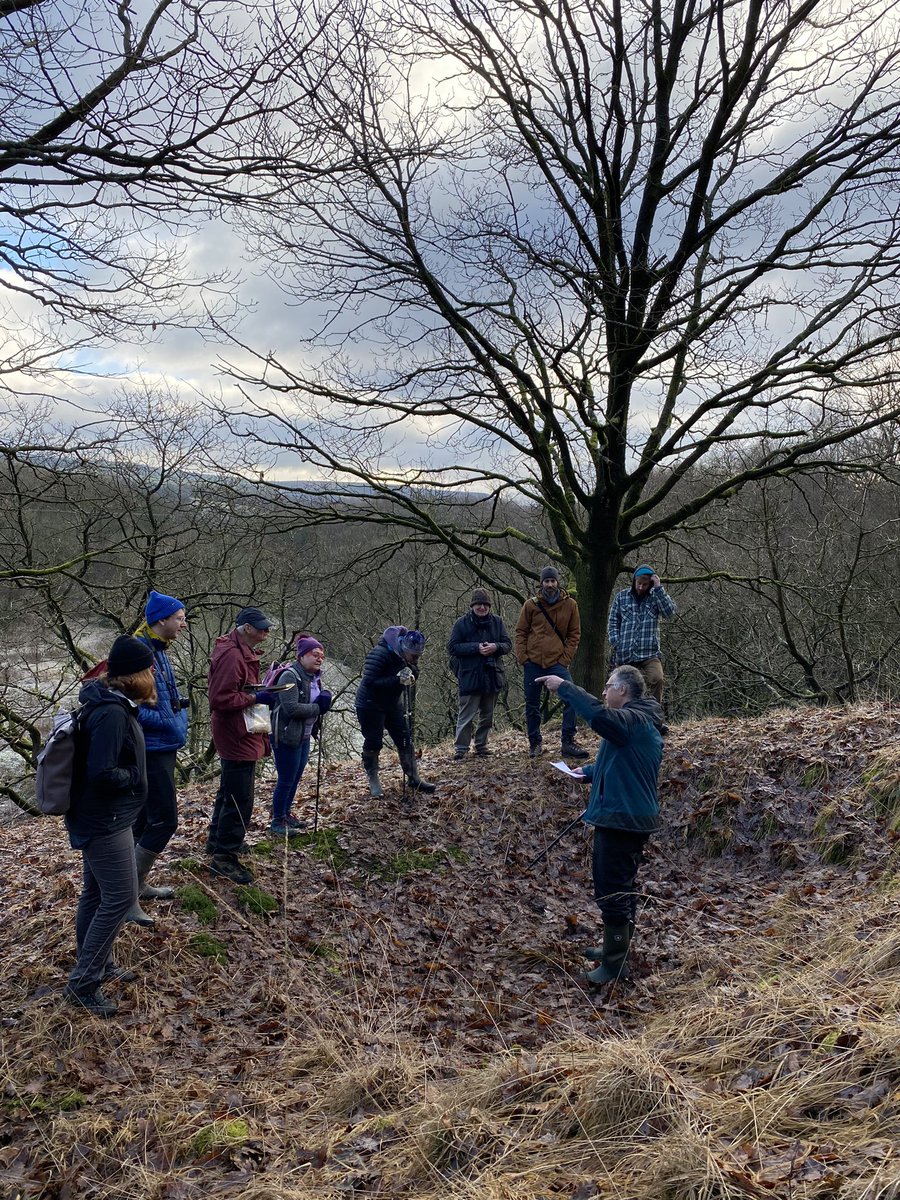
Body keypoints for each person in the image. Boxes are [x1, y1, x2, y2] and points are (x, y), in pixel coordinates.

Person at [538, 665, 665, 985]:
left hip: (623, 819)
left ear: (623, 690)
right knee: (621, 886)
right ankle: (615, 948)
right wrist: (589, 772)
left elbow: (598, 716)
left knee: (612, 890)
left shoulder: (631, 721)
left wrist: (565, 688)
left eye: (609, 686)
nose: (605, 692)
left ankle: (614, 963)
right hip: (624, 815)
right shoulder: (635, 723)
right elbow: (622, 760)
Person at [64, 635, 155, 1017]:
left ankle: (97, 964)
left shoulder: (111, 704)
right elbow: (101, 772)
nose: (152, 674)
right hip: (106, 820)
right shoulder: (112, 714)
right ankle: (84, 984)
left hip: (102, 816)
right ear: (134, 675)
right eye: (148, 669)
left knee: (96, 894)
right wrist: (134, 776)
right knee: (118, 896)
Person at [124, 589, 190, 926]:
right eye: (179, 618)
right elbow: (130, 706)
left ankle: (136, 886)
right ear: (160, 619)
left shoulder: (158, 649)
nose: (183, 624)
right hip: (150, 749)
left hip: (162, 745)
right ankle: (126, 897)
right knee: (165, 820)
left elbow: (164, 698)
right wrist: (168, 721)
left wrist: (179, 716)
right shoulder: (139, 651)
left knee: (144, 821)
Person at [206, 606, 272, 884]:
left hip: (239, 731)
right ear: (246, 628)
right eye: (261, 627)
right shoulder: (232, 655)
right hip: (236, 733)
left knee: (229, 791)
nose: (266, 632)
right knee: (239, 797)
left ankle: (217, 842)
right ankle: (224, 857)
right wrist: (256, 698)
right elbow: (220, 699)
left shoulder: (237, 650)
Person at [514, 566, 588, 759]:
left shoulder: (570, 605)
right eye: (546, 581)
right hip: (533, 662)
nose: (549, 584)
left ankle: (568, 742)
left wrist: (565, 660)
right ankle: (535, 743)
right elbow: (520, 632)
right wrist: (523, 658)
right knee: (531, 704)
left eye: (552, 581)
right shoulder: (531, 605)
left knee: (571, 697)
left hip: (557, 662)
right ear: (541, 583)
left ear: (558, 582)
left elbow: (574, 635)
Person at [355, 626, 435, 797]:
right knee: (374, 741)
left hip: (392, 704)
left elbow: (414, 671)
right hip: (370, 704)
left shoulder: (409, 656)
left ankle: (413, 777)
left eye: (418, 656)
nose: (415, 659)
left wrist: (412, 674)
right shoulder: (380, 653)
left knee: (404, 738)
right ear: (403, 648)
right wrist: (397, 679)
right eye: (413, 656)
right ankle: (373, 780)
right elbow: (370, 682)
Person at [269, 635, 332, 834]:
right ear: (302, 656)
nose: (319, 658)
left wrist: (323, 700)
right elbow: (291, 708)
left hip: (303, 736)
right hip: (286, 736)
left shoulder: (314, 677)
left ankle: (286, 814)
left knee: (295, 777)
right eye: (315, 654)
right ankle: (277, 822)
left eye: (322, 655)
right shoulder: (290, 676)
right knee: (286, 778)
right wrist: (318, 707)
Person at [447, 588, 512, 759]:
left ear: (489, 606)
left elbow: (507, 644)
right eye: (478, 604)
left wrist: (495, 647)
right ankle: (461, 749)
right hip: (470, 676)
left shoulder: (498, 622)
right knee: (466, 715)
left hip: (492, 675)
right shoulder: (461, 623)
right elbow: (452, 647)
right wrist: (476, 648)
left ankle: (481, 746)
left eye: (485, 604)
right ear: (472, 606)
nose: (482, 607)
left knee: (487, 716)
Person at [607, 565, 677, 703]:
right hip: (625, 653)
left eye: (645, 584)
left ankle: (654, 716)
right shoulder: (621, 597)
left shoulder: (656, 597)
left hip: (649, 654)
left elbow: (670, 612)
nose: (640, 587)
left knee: (657, 679)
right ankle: (620, 717)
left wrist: (658, 589)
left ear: (650, 584)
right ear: (634, 581)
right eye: (639, 583)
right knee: (619, 686)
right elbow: (613, 621)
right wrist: (616, 642)